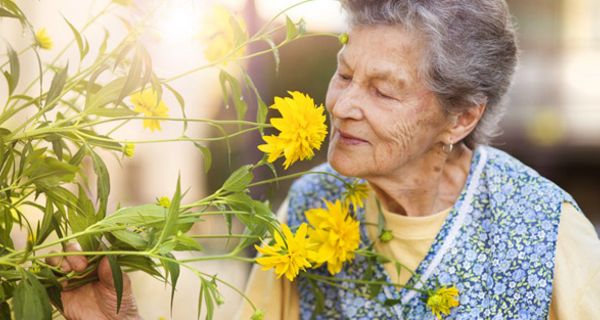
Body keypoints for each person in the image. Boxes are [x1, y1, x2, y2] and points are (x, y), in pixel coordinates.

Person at [59, 0, 600, 319]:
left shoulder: (548, 232)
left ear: (460, 119)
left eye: (384, 91)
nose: (341, 106)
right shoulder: (309, 203)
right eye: (344, 73)